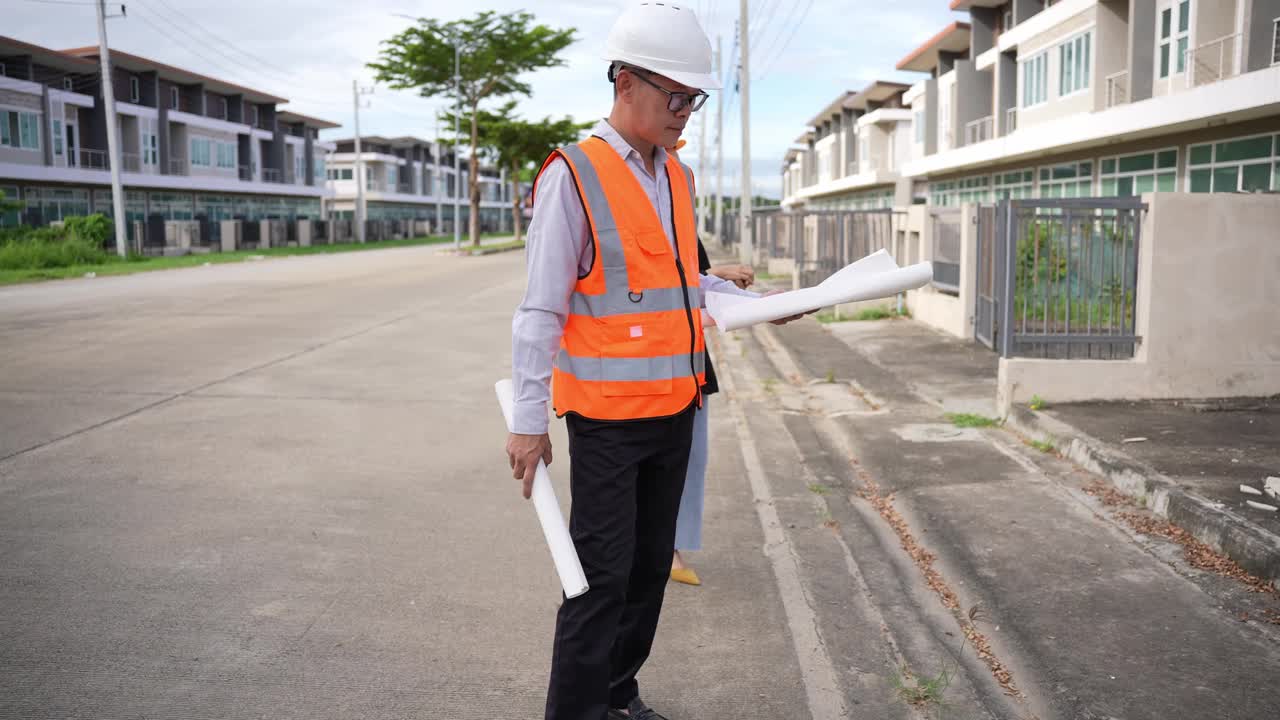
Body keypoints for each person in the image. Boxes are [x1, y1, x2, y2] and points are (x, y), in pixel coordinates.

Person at [505, 5, 803, 719]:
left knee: (647, 573)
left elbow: (675, 280)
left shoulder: (676, 175)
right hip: (606, 422)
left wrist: (747, 299)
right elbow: (540, 309)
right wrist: (527, 420)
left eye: (693, 99)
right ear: (626, 82)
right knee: (598, 582)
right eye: (677, 97)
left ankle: (618, 695)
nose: (686, 113)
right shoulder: (572, 175)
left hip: (676, 409)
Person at [670, 250, 753, 587]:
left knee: (690, 460)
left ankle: (668, 548)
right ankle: (656, 550)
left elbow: (691, 275)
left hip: (688, 360)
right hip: (635, 366)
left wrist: (758, 303)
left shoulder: (678, 203)